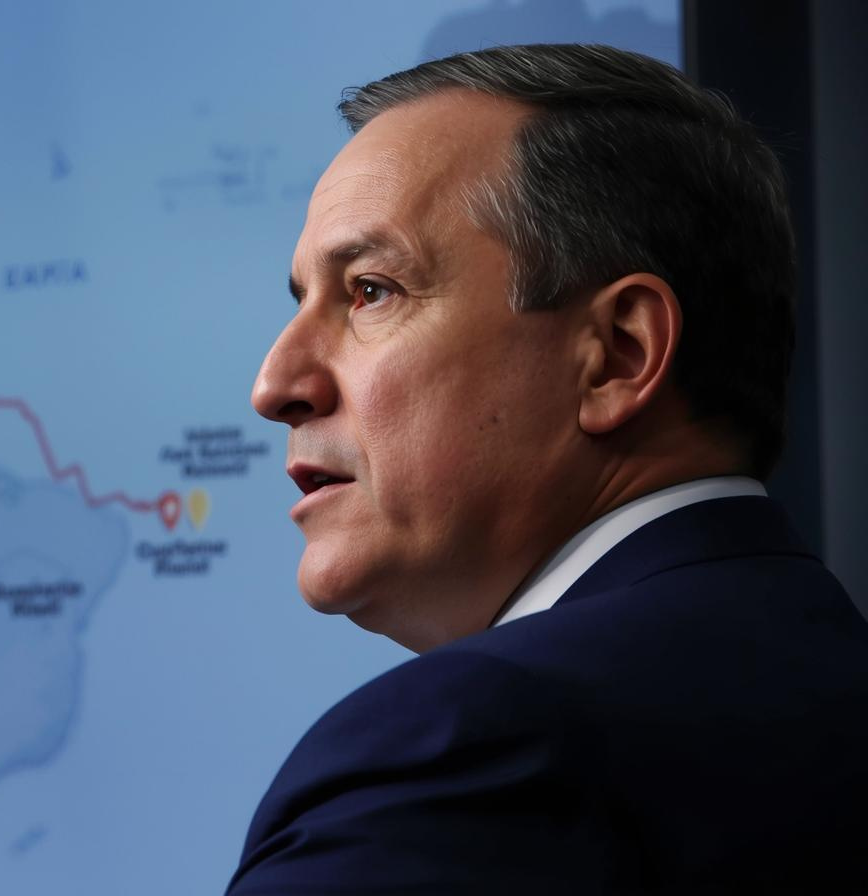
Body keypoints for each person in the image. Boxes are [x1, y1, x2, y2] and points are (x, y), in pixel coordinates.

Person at [228, 43, 868, 894]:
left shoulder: (474, 744)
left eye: (372, 290)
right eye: (302, 299)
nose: (275, 386)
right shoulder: (832, 680)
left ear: (616, 354)